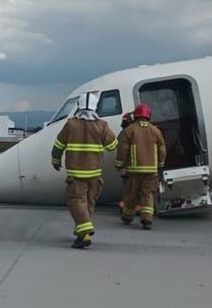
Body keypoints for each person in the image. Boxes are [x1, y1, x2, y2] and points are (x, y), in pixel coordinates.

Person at [51, 92, 118, 248]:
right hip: (95, 174)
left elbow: (58, 146)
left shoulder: (71, 124)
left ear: (79, 106)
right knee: (89, 202)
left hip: (76, 174)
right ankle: (83, 232)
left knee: (76, 201)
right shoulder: (102, 125)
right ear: (95, 107)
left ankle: (85, 229)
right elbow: (112, 146)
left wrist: (55, 160)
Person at [114, 103, 166, 229]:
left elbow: (122, 150)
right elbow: (162, 149)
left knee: (131, 194)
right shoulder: (156, 131)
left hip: (134, 170)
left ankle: (127, 217)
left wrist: (119, 165)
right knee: (147, 194)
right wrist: (160, 164)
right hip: (151, 170)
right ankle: (147, 219)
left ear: (136, 115)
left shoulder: (129, 130)